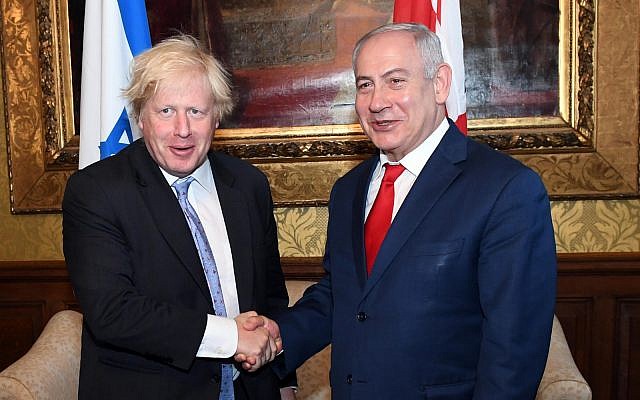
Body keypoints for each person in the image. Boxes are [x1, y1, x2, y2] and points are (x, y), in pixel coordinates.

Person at [262, 23, 557, 399]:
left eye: (395, 80)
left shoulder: (506, 190)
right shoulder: (348, 190)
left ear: (439, 84)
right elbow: (346, 297)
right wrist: (278, 336)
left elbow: (514, 352)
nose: (377, 101)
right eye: (365, 84)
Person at [63, 35, 295, 399]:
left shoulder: (248, 185)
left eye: (196, 112)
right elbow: (113, 312)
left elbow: (271, 296)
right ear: (140, 116)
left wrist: (283, 380)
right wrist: (232, 337)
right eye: (166, 111)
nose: (182, 129)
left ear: (217, 115)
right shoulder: (96, 191)